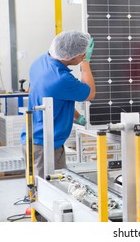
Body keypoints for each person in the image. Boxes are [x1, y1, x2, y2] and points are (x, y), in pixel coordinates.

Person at [20, 31, 96, 178]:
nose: (82, 58)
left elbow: (56, 98)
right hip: (45, 146)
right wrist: (86, 64)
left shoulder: (40, 62)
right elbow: (90, 93)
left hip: (33, 139)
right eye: (82, 55)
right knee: (50, 193)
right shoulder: (62, 79)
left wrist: (77, 116)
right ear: (69, 56)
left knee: (37, 189)